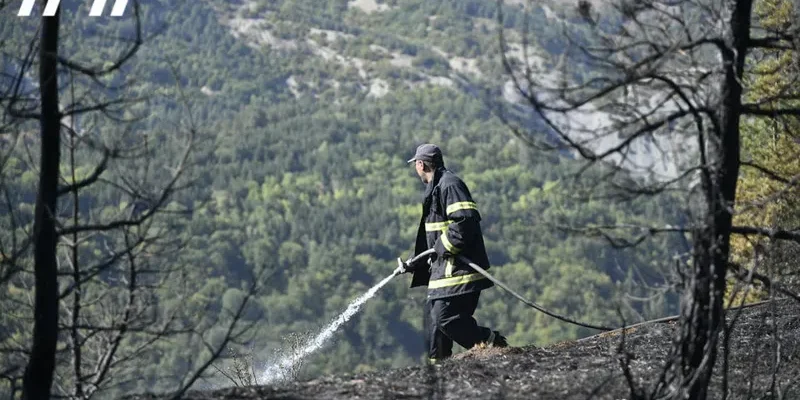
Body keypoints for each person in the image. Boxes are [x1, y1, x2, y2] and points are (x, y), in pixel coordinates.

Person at [396, 143, 507, 364]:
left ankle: (492, 342)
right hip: (443, 274)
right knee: (435, 327)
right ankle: (440, 372)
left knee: (445, 319)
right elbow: (432, 239)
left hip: (460, 273)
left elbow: (465, 222)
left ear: (420, 164)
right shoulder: (436, 188)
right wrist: (415, 263)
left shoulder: (450, 185)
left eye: (415, 165)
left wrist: (443, 246)